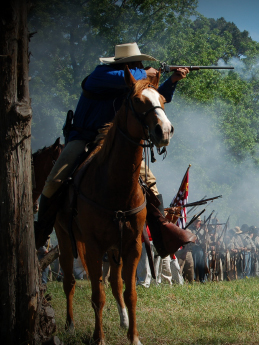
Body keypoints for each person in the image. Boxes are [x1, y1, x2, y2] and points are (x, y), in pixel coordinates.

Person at [34, 42, 195, 255]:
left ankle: (162, 234)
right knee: (54, 181)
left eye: (140, 64)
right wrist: (144, 72)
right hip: (84, 137)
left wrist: (172, 80)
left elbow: (152, 98)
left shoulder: (133, 81)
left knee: (150, 184)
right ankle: (40, 233)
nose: (140, 65)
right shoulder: (101, 74)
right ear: (126, 64)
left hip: (114, 141)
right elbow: (126, 77)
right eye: (136, 63)